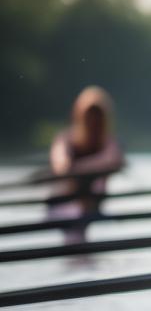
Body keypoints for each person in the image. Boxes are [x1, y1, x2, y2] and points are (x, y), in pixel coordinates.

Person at [48, 86, 125, 222]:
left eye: (98, 118)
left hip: (93, 208)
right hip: (62, 208)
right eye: (89, 117)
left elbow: (115, 160)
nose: (93, 123)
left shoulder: (110, 144)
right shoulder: (65, 141)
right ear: (80, 117)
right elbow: (61, 166)